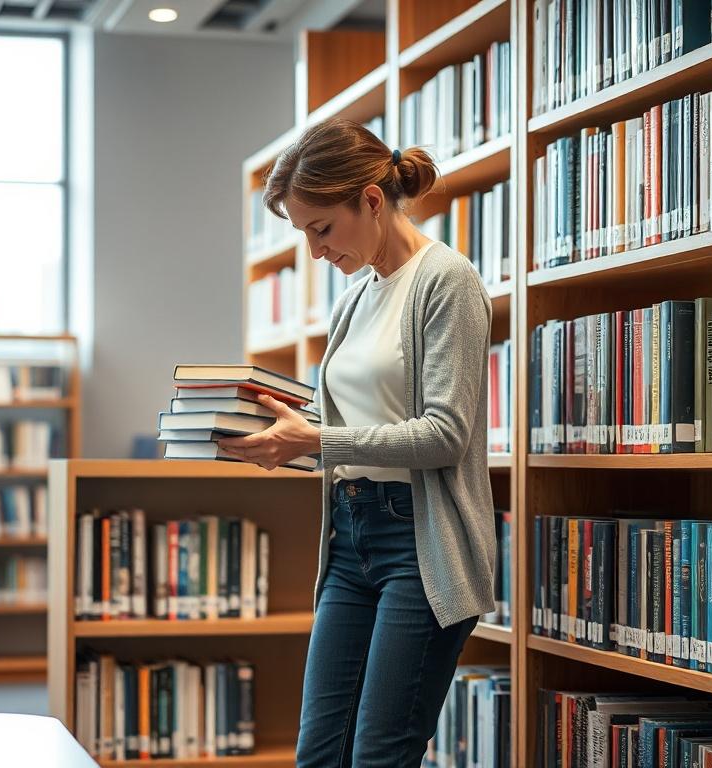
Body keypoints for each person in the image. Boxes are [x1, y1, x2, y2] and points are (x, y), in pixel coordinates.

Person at [218, 117, 495, 767]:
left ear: (371, 199)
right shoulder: (357, 298)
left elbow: (444, 435)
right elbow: (354, 425)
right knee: (319, 751)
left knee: (378, 754)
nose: (315, 253)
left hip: (418, 545)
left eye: (321, 228)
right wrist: (274, 428)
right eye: (303, 234)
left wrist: (316, 436)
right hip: (350, 537)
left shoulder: (445, 281)